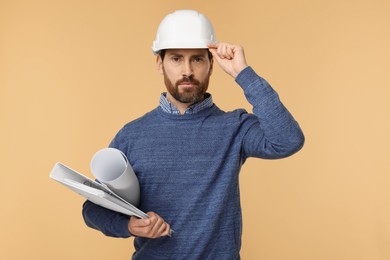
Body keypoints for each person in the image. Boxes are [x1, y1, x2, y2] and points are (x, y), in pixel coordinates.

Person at [82, 9, 304, 259]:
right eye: (176, 58)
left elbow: (288, 140)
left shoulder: (235, 127)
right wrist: (130, 225)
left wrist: (243, 73)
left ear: (211, 65)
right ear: (160, 64)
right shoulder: (132, 135)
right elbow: (93, 208)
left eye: (197, 59)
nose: (187, 70)